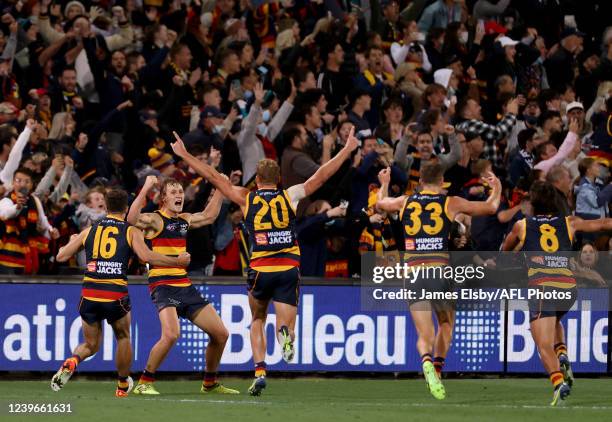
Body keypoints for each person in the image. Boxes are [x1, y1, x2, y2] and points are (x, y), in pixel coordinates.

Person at [169, 128, 359, 396]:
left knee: (257, 318)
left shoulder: (246, 198)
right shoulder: (289, 195)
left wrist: (184, 154)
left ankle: (259, 370)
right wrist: (346, 149)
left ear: (257, 180)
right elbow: (322, 175)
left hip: (260, 269)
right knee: (286, 324)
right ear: (279, 179)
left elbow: (211, 176)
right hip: (288, 268)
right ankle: (285, 336)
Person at [376, 162, 502, 400]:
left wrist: (383, 185)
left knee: (425, 335)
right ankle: (437, 369)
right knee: (446, 322)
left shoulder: (404, 201)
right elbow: (491, 208)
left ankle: (425, 362)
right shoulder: (450, 202)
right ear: (442, 181)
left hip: (412, 272)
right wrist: (497, 188)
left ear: (420, 181)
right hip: (438, 272)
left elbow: (380, 203)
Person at [50, 188, 190, 397]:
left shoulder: (90, 229)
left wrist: (73, 241)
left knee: (90, 344)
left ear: (106, 207)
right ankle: (123, 385)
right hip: (114, 294)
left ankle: (73, 360)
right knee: (123, 337)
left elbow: (61, 257)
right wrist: (176, 261)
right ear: (126, 208)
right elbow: (147, 256)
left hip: (90, 293)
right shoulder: (130, 230)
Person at [502, 181, 612, 406]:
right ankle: (562, 353)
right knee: (554, 323)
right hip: (567, 287)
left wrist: (516, 251)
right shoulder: (569, 222)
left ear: (533, 203)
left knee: (542, 343)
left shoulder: (522, 225)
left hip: (542, 286)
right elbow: (604, 223)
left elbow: (505, 250)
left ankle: (558, 383)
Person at [126, 175, 237, 395]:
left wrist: (221, 188)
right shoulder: (155, 220)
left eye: (180, 192)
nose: (179, 195)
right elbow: (131, 219)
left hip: (184, 285)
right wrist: (147, 187)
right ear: (163, 199)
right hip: (163, 285)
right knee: (171, 335)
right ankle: (144, 382)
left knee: (221, 334)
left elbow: (209, 216)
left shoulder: (184, 220)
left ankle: (209, 383)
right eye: (173, 192)